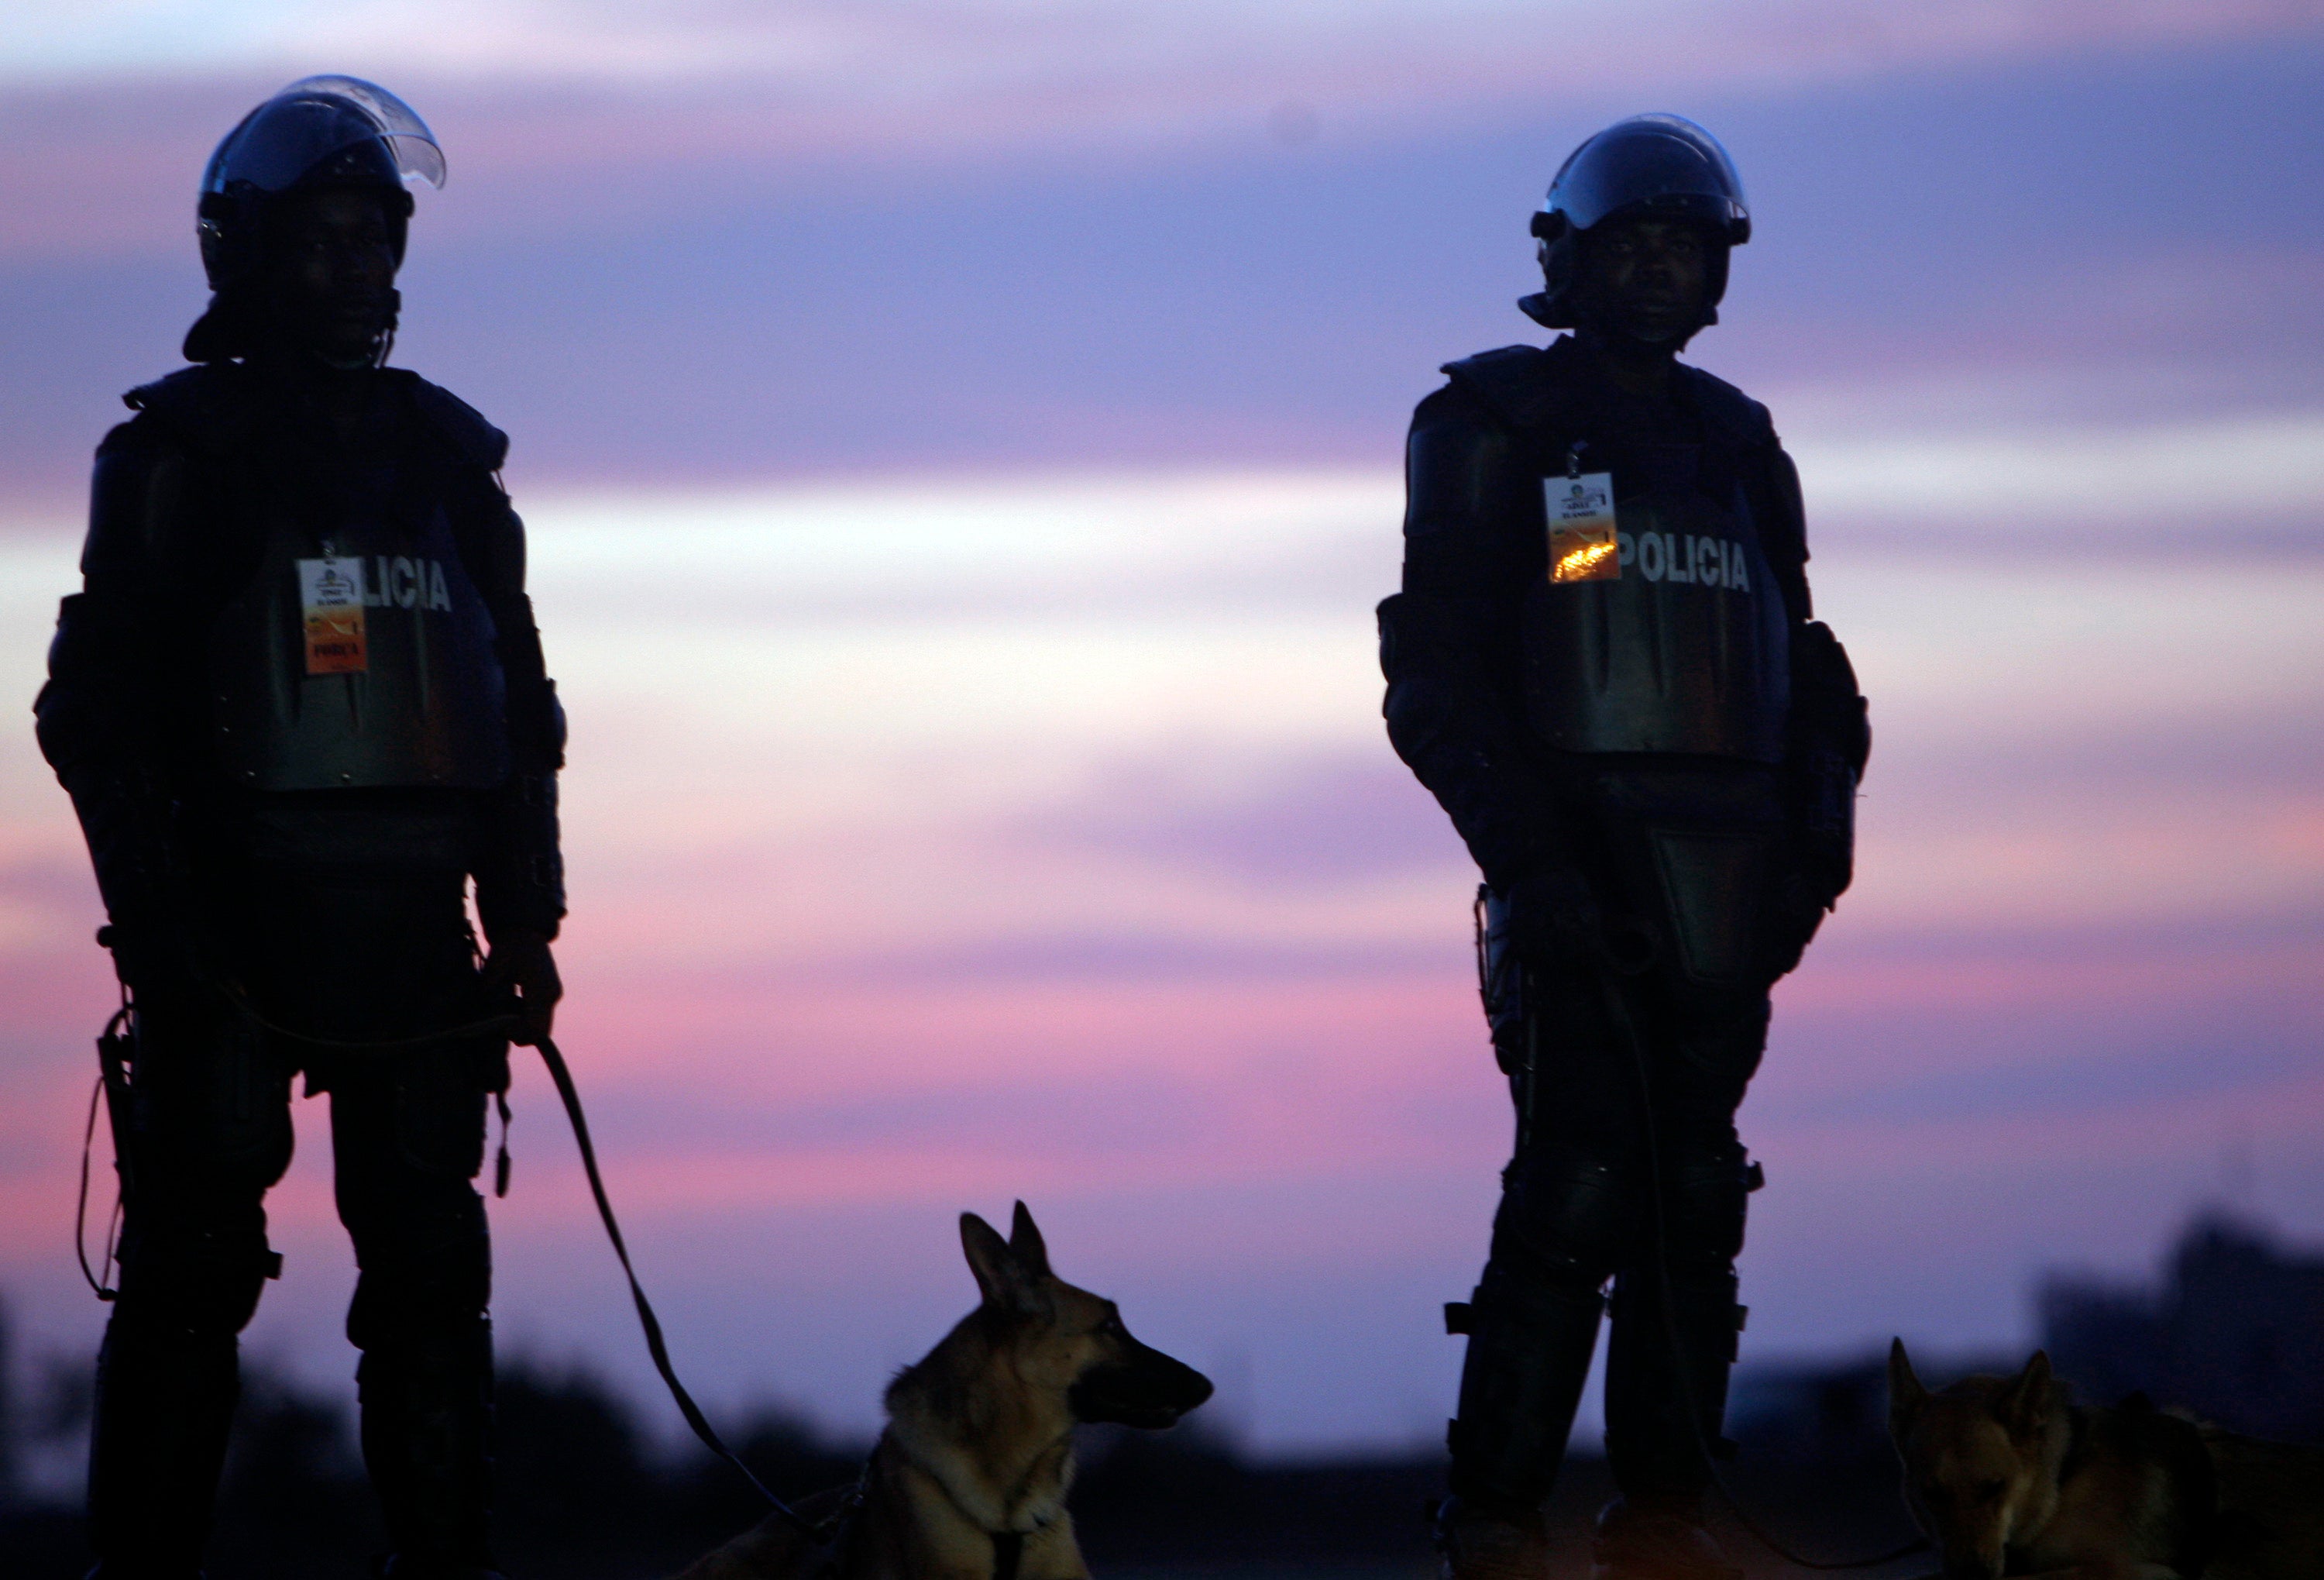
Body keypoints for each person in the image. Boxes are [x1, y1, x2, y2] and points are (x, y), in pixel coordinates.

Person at [34, 77, 566, 1580]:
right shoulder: (176, 458)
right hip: (235, 946)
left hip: (417, 951)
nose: (363, 271)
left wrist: (523, 922)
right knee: (190, 1296)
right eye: (329, 240)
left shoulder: (454, 467)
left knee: (431, 1308)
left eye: (377, 239)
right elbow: (98, 716)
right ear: (251, 256)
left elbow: (519, 709)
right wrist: (171, 943)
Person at [1377, 115, 1869, 1580]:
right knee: (1579, 1182)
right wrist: (1535, 869)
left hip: (1737, 891)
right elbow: (1441, 679)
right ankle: (1498, 1525)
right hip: (1577, 873)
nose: (1661, 266)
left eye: (1686, 243)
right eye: (1633, 241)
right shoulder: (1494, 424)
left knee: (1697, 1198)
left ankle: (1668, 1521)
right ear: (1569, 258)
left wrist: (1813, 858)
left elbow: (1807, 674)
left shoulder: (1738, 444)